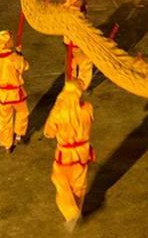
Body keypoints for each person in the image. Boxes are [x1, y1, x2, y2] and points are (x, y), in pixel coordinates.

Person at [43, 79, 95, 229]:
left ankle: (72, 213)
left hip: (65, 154)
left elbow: (48, 133)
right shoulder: (87, 109)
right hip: (82, 151)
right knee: (79, 185)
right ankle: (77, 209)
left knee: (62, 183)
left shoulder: (58, 112)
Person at [0, 30, 29, 153]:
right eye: (11, 39)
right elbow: (25, 66)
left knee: (4, 119)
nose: (12, 40)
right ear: (7, 43)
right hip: (15, 94)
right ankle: (18, 134)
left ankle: (7, 144)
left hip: (2, 94)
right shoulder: (13, 58)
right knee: (23, 112)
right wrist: (20, 53)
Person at [62, 0, 94, 89]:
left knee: (71, 67)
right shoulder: (74, 13)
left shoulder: (66, 10)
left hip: (71, 43)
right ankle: (80, 85)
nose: (80, 0)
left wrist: (83, 9)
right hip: (77, 44)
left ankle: (73, 85)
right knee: (85, 64)